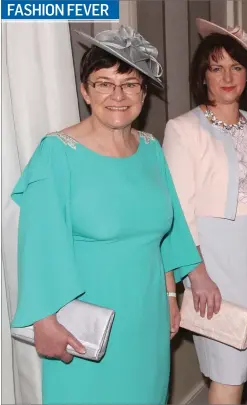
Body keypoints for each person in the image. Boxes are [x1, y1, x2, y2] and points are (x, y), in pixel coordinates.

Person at [9, 26, 201, 404]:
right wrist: (44, 321)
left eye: (130, 84)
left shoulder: (151, 150)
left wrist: (170, 296)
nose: (117, 95)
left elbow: (164, 233)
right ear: (85, 91)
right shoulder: (57, 152)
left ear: (144, 94)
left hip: (147, 319)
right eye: (103, 83)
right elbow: (37, 243)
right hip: (83, 324)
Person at [162, 19, 247, 405]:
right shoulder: (182, 129)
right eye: (216, 67)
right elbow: (177, 209)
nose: (227, 76)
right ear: (202, 75)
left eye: (236, 67)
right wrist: (196, 272)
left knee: (242, 360)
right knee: (228, 363)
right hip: (214, 257)